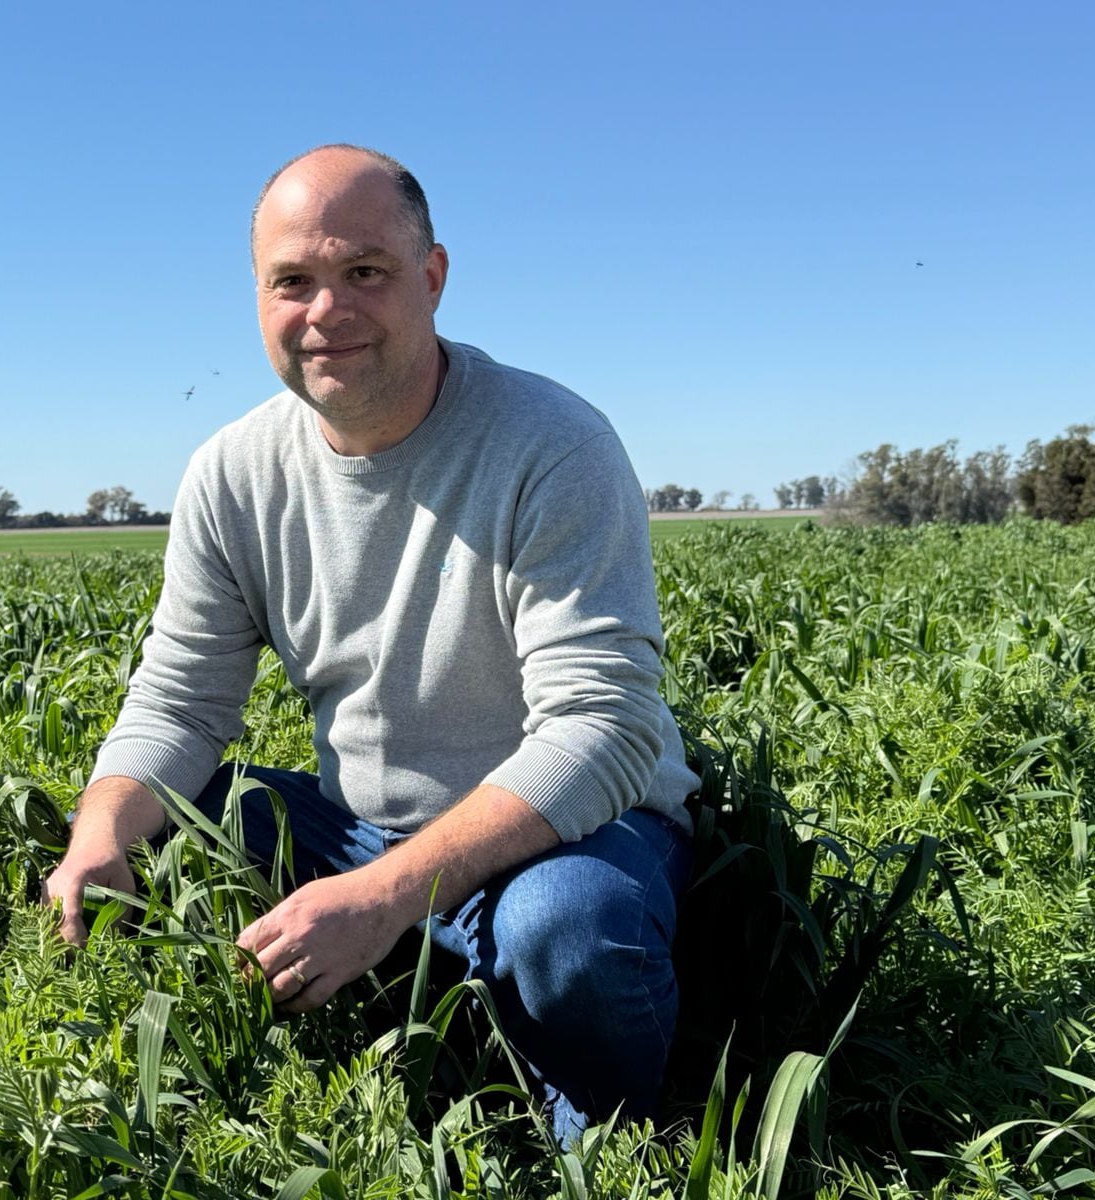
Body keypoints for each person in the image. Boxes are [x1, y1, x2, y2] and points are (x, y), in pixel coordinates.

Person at [41, 144, 700, 1143]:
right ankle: (260, 1082)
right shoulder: (231, 473)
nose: (326, 312)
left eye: (364, 273)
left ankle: (603, 1132)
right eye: (292, 282)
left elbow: (603, 728)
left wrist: (387, 896)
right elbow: (179, 700)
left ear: (432, 277)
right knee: (166, 827)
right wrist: (101, 836)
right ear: (257, 298)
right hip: (355, 828)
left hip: (561, 834)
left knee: (565, 926)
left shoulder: (550, 444)